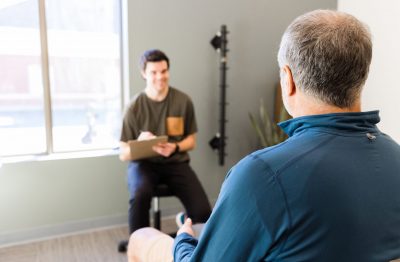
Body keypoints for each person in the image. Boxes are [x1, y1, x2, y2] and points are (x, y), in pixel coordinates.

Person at [128, 9, 400, 261]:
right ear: (361, 76)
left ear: (288, 79)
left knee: (141, 238)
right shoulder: (395, 158)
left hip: (179, 174)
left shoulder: (262, 174)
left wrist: (183, 243)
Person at [118, 49, 211, 252]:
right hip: (144, 164)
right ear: (144, 74)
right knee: (140, 194)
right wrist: (139, 144)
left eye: (164, 71)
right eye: (154, 72)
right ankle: (139, 244)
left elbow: (191, 141)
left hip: (175, 162)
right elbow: (123, 153)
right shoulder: (134, 107)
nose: (160, 76)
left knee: (203, 211)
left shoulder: (183, 101)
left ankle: (191, 248)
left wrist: (175, 147)